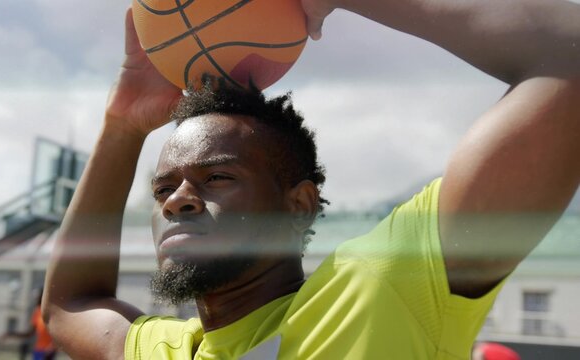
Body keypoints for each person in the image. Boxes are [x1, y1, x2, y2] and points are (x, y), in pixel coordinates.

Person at [42, 0, 580, 359]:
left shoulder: (382, 286)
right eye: (164, 188)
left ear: (299, 204)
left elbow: (568, 59)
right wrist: (124, 124)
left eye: (217, 177)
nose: (178, 200)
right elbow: (67, 308)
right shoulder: (171, 349)